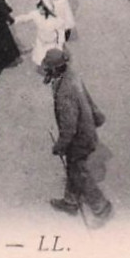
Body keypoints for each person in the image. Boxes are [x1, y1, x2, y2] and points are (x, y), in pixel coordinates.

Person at [41, 48, 112, 223]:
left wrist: (60, 146)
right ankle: (70, 201)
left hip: (78, 140)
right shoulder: (72, 75)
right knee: (73, 170)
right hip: (87, 131)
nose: (46, 71)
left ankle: (101, 207)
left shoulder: (65, 94)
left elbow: (69, 127)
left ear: (56, 69)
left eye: (48, 68)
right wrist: (97, 117)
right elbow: (88, 99)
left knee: (80, 173)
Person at [14, 0, 66, 67]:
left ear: (48, 11)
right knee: (39, 57)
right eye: (39, 7)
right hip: (40, 42)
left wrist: (59, 47)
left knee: (51, 60)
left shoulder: (56, 21)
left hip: (51, 43)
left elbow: (61, 34)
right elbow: (25, 18)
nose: (40, 10)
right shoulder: (36, 14)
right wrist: (14, 20)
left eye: (43, 9)